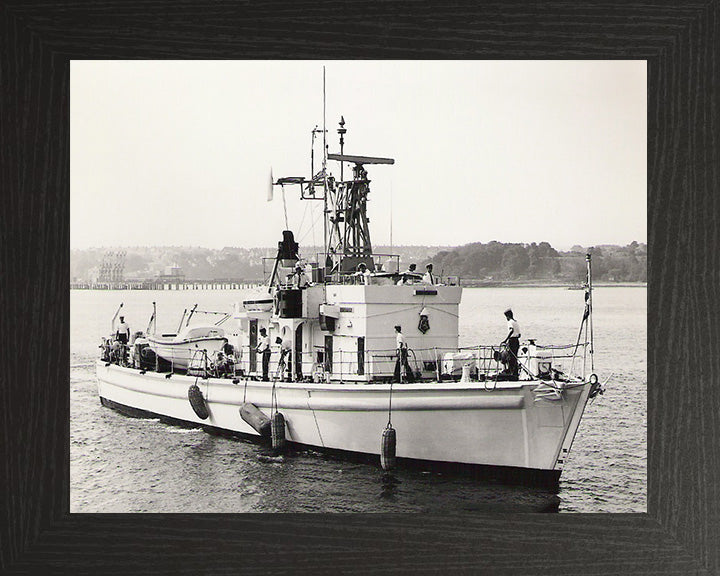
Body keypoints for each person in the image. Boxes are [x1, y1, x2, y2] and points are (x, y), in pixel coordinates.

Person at [501, 308, 521, 380]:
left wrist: (505, 340)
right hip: (516, 341)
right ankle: (515, 373)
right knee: (514, 357)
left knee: (510, 357)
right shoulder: (516, 322)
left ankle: (511, 373)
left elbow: (511, 330)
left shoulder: (510, 322)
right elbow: (519, 334)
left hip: (512, 341)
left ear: (508, 316)